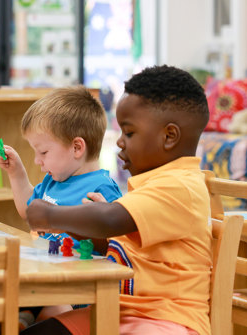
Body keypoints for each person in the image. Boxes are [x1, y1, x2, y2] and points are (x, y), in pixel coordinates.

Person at [23, 65, 212, 335]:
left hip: (166, 320)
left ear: (169, 136)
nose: (120, 143)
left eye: (129, 133)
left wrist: (52, 216)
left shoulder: (181, 186)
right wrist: (77, 229)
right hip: (120, 311)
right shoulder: (151, 184)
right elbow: (116, 244)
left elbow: (110, 220)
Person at [0, 85, 122, 327]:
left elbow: (117, 249)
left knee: (44, 307)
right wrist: (16, 173)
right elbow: (29, 212)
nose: (37, 161)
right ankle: (20, 318)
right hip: (45, 277)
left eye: (43, 152)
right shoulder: (53, 181)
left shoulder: (101, 189)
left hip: (79, 293)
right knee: (5, 292)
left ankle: (24, 319)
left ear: (77, 147)